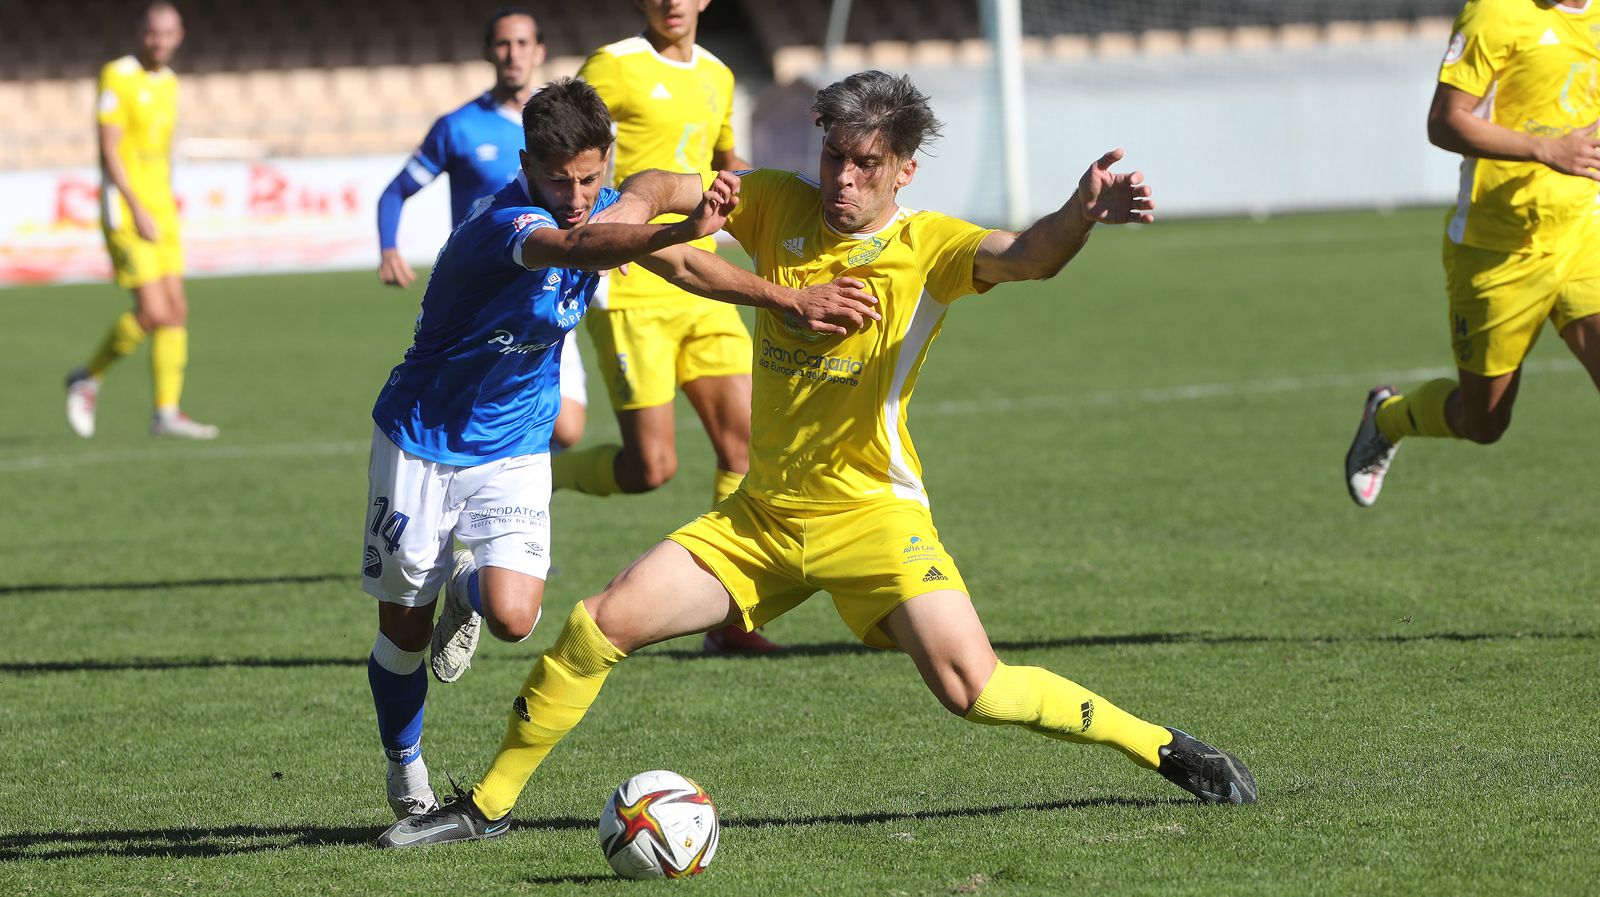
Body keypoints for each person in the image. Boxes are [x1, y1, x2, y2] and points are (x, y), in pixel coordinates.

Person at [376, 70, 1257, 848]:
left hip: (874, 516)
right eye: (834, 156)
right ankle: (484, 806)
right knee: (596, 624)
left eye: (866, 164)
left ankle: (1164, 746)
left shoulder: (928, 247)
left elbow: (1027, 257)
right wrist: (638, 208)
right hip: (760, 518)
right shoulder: (778, 203)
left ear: (905, 169)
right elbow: (654, 181)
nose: (842, 178)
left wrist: (1079, 215)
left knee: (974, 689)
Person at [363, 76, 877, 820]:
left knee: (513, 615)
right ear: (527, 166)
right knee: (402, 635)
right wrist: (676, 226)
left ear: (606, 163)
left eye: (590, 178)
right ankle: (404, 760)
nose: (574, 194)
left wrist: (790, 299)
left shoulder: (603, 208)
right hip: (421, 439)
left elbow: (686, 266)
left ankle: (466, 587)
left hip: (512, 443)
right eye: (557, 179)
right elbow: (576, 244)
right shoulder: (504, 223)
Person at [563, 0, 773, 652]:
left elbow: (724, 157)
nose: (672, 2)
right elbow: (568, 154)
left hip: (704, 283)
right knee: (649, 467)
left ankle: (733, 623)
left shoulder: (720, 74)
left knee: (744, 447)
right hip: (632, 288)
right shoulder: (613, 66)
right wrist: (602, 233)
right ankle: (542, 474)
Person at [1345, 0, 1600, 506]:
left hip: (1584, 232)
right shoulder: (1495, 13)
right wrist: (1546, 150)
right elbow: (1444, 123)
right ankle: (1389, 417)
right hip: (1496, 249)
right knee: (1483, 422)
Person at [376, 7, 588, 451]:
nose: (514, 54)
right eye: (504, 44)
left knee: (568, 429)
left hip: (549, 289)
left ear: (540, 51)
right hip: (482, 297)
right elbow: (394, 192)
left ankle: (513, 496)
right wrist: (389, 248)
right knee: (469, 422)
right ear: (489, 52)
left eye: (523, 43)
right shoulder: (458, 127)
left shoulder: (559, 133)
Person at [65, 1, 217, 440]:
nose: (159, 41)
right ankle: (87, 377)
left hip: (161, 208)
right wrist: (135, 205)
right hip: (128, 210)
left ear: (180, 35)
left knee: (176, 311)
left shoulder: (169, 83)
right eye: (153, 33)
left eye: (167, 34)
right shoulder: (118, 75)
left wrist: (163, 202)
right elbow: (109, 148)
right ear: (140, 33)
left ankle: (166, 412)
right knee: (152, 311)